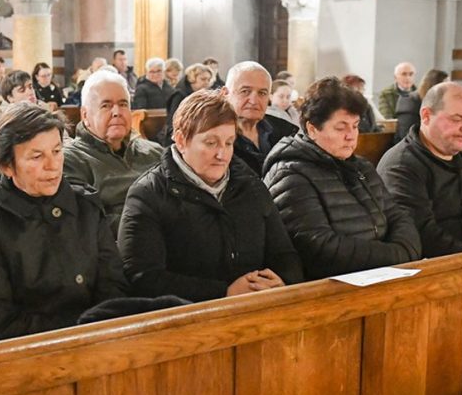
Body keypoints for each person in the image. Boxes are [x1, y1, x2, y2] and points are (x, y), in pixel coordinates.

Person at [0, 103, 128, 340]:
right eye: (37, 156)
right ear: (7, 165)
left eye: (57, 151)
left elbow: (113, 284)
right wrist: (76, 330)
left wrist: (98, 329)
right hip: (30, 353)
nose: (53, 166)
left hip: (101, 340)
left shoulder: (85, 205)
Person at [118, 90, 302, 302]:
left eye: (228, 143)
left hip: (257, 308)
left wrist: (282, 281)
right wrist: (224, 292)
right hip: (189, 319)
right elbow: (143, 277)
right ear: (180, 140)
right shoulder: (148, 194)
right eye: (210, 143)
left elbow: (285, 254)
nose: (221, 154)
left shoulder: (251, 186)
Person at [263, 77, 422, 278]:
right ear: (312, 129)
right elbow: (320, 247)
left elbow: (398, 217)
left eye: (355, 126)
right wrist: (397, 255)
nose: (351, 135)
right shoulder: (290, 174)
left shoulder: (361, 167)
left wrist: (403, 250)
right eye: (341, 127)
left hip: (381, 277)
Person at [378, 83, 462, 257]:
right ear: (427, 116)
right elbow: (421, 233)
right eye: (457, 119)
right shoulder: (400, 166)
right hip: (440, 272)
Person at [63, 70, 164, 231]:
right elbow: (89, 222)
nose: (117, 112)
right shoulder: (71, 160)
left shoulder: (155, 152)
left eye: (123, 104)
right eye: (106, 105)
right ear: (85, 115)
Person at [226, 61, 297, 176]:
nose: (254, 101)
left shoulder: (286, 132)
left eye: (262, 93)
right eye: (245, 91)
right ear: (225, 93)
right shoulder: (214, 137)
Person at [394, 69, 449, 142]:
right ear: (434, 86)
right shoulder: (409, 101)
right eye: (446, 86)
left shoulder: (443, 103)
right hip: (411, 149)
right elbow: (407, 136)